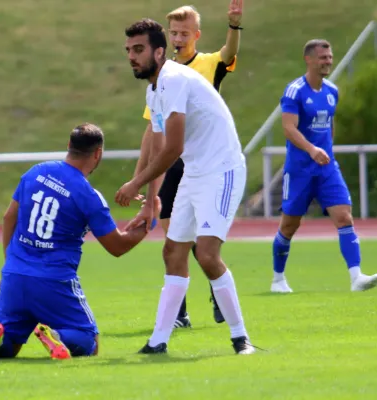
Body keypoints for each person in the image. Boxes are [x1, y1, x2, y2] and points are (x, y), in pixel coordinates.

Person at [117, 19, 255, 355]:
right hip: (196, 173)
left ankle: (241, 339)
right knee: (172, 252)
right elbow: (157, 145)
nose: (132, 57)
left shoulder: (174, 79)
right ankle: (158, 341)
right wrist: (150, 202)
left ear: (159, 51)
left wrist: (136, 181)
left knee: (206, 254)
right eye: (129, 51)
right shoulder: (156, 89)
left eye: (139, 49)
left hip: (222, 170)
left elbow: (172, 148)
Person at [0, 123, 160, 362]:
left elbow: (9, 216)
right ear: (98, 154)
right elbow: (117, 246)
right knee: (89, 341)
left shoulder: (35, 172)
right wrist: (149, 222)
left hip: (14, 276)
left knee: (11, 346)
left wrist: (9, 265)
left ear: (69, 145)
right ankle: (56, 336)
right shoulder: (88, 196)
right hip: (54, 281)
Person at [270, 39, 377, 293]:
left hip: (326, 168)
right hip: (299, 170)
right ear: (308, 59)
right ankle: (278, 279)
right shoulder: (294, 91)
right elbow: (288, 128)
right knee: (289, 225)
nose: (328, 61)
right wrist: (311, 149)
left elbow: (329, 125)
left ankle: (356, 277)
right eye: (323, 58)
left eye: (330, 57)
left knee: (344, 216)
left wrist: (325, 150)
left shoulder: (332, 91)